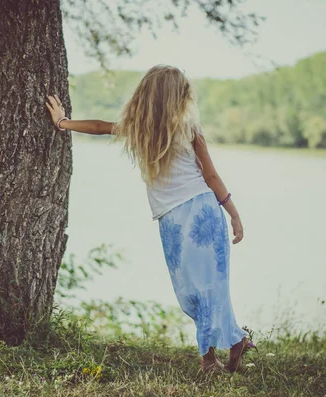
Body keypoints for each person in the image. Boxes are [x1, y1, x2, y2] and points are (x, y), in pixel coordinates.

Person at [45, 64, 256, 373]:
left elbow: (210, 175)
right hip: (176, 217)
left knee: (205, 287)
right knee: (194, 290)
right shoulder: (141, 129)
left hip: (198, 215)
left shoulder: (187, 130)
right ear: (178, 98)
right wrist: (63, 122)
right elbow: (102, 126)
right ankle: (234, 341)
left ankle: (210, 360)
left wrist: (235, 215)